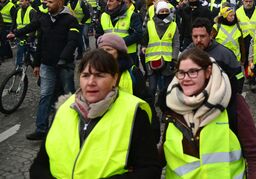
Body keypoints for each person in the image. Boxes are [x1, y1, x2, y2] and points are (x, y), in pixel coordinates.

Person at [29, 49, 161, 178]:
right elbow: (39, 165)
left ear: (115, 78)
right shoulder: (64, 108)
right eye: (85, 75)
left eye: (99, 75)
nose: (91, 82)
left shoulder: (134, 113)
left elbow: (150, 170)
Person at [160, 48, 256, 178]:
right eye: (181, 73)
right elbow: (164, 151)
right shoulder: (172, 104)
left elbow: (254, 155)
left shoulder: (232, 102)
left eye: (193, 72)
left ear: (208, 72)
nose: (185, 79)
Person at [9, 0, 80, 140]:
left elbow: (73, 41)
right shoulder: (44, 18)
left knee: (69, 95)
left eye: (50, 2)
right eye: (46, 2)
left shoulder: (71, 20)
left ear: (60, 4)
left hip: (64, 65)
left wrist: (63, 58)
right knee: (45, 95)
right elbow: (34, 32)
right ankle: (41, 129)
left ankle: (76, 125)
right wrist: (15, 34)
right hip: (47, 65)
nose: (46, 4)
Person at [185, 17, 244, 93]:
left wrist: (234, 98)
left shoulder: (225, 55)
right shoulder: (186, 55)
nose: (198, 40)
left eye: (202, 36)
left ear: (211, 35)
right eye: (195, 36)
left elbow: (239, 77)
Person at [96, 0, 143, 67]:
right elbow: (98, 34)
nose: (108, 3)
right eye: (107, 1)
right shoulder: (103, 15)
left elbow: (138, 34)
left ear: (119, 2)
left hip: (128, 54)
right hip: (108, 54)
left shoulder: (132, 15)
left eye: (111, 1)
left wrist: (118, 44)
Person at [142, 1, 180, 95]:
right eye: (161, 11)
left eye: (166, 11)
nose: (164, 13)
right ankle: (151, 107)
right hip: (151, 59)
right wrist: (143, 47)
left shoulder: (173, 25)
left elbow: (176, 43)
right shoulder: (150, 24)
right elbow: (144, 38)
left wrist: (174, 58)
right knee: (152, 88)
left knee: (166, 89)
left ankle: (164, 106)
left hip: (167, 60)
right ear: (157, 12)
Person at [236, 0, 256, 92]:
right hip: (243, 39)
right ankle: (248, 76)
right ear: (243, 1)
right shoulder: (238, 11)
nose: (248, 3)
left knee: (253, 60)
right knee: (246, 61)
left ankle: (252, 81)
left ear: (253, 1)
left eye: (250, 1)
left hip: (255, 39)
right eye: (246, 1)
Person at [14, 0, 37, 68]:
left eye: (22, 1)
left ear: (27, 1)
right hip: (20, 36)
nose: (20, 3)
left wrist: (31, 37)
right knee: (20, 51)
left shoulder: (32, 11)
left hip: (29, 36)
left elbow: (34, 26)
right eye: (19, 1)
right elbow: (15, 22)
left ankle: (36, 65)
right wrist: (13, 31)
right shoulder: (18, 10)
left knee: (32, 51)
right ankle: (18, 68)